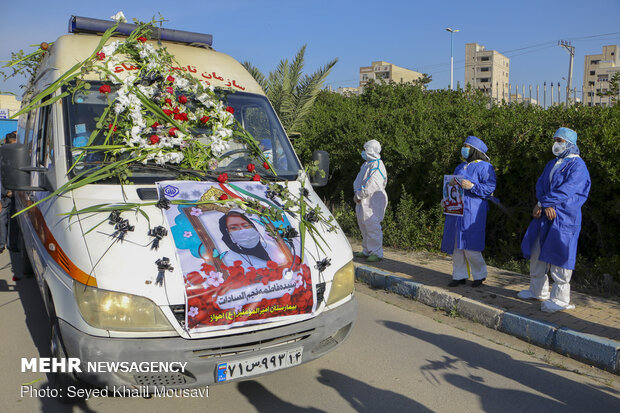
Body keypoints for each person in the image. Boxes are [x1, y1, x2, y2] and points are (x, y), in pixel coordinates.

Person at [518, 127, 591, 313]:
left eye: (560, 140)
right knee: (537, 252)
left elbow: (567, 190)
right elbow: (541, 184)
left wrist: (545, 203)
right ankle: (537, 291)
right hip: (545, 214)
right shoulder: (553, 163)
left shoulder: (578, 166)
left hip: (564, 217)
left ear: (570, 143)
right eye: (555, 140)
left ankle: (560, 299)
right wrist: (544, 204)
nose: (556, 144)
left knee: (560, 256)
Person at [441, 136, 496, 287]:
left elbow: (490, 188)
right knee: (457, 245)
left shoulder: (485, 167)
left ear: (475, 150)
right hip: (456, 209)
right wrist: (446, 199)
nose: (464, 149)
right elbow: (452, 185)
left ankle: (480, 275)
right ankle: (459, 276)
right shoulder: (460, 166)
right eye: (463, 146)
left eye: (467, 146)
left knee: (470, 245)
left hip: (473, 209)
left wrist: (472, 186)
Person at [353, 139, 388, 262]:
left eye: (366, 149)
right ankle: (367, 250)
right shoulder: (367, 164)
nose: (364, 152)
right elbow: (359, 180)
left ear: (371, 150)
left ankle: (376, 252)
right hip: (363, 199)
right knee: (363, 225)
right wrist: (357, 194)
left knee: (372, 225)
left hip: (373, 200)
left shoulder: (377, 165)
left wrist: (360, 195)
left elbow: (372, 184)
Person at [0, 131, 17, 253]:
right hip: (4, 194)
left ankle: (12, 244)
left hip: (16, 193)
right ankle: (2, 244)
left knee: (14, 220)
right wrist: (5, 192)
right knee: (2, 219)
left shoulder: (17, 157)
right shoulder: (2, 158)